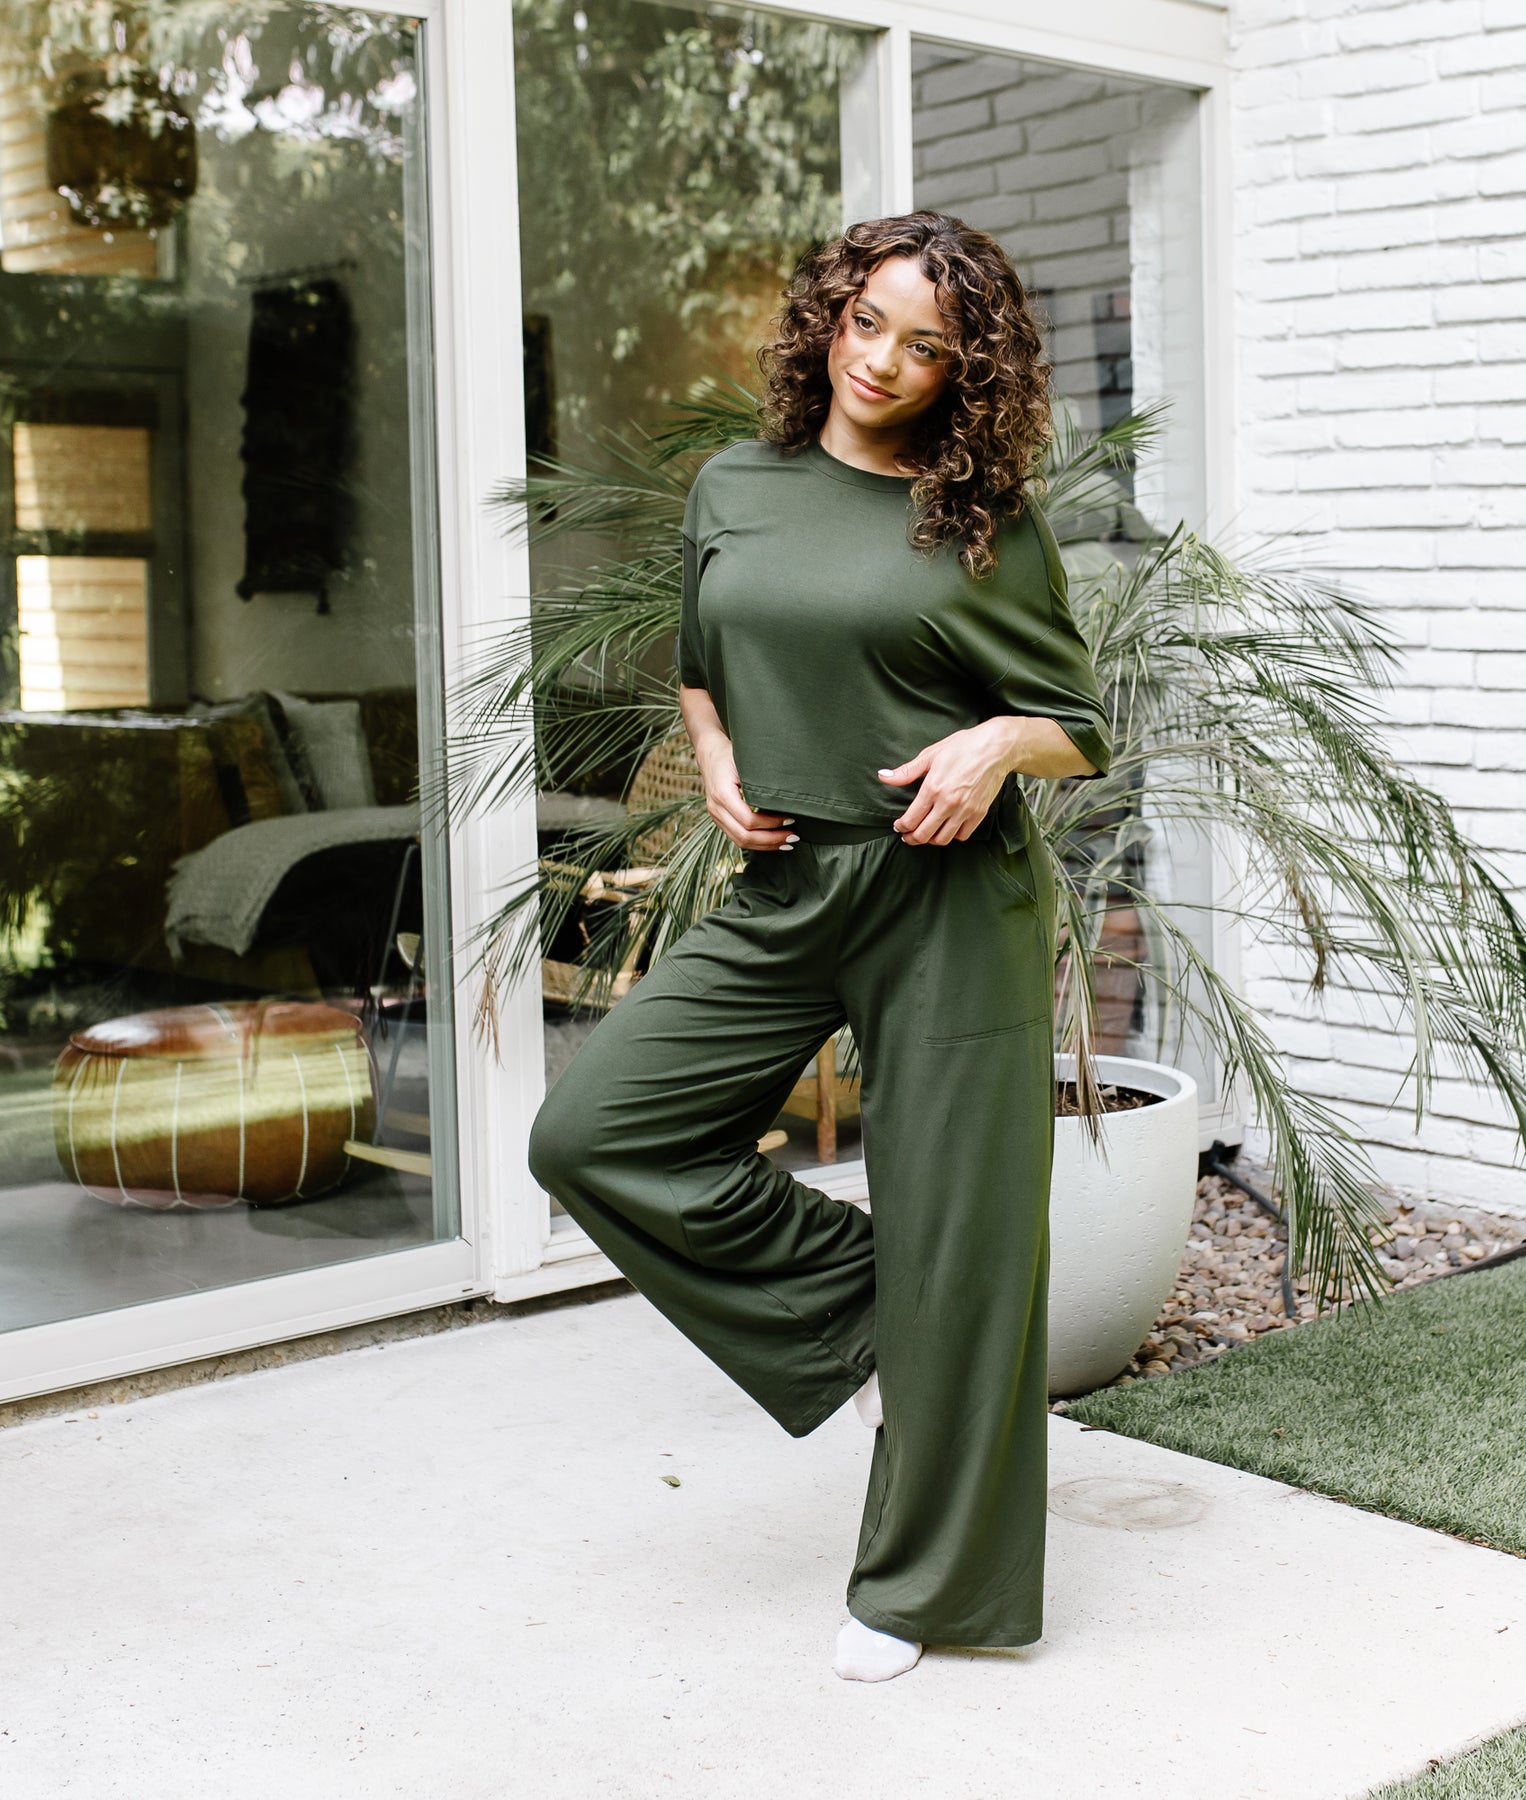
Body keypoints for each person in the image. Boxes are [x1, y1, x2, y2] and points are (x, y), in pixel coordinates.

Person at [528, 211, 1113, 1683]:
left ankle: (922, 1592)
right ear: (828, 318)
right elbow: (704, 663)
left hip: (948, 899)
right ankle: (882, 1315)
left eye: (927, 346)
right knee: (597, 1133)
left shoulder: (983, 523)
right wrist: (715, 759)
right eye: (868, 325)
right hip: (790, 884)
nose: (885, 363)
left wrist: (993, 744)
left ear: (963, 371)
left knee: (966, 1226)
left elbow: (1078, 729)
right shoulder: (736, 483)